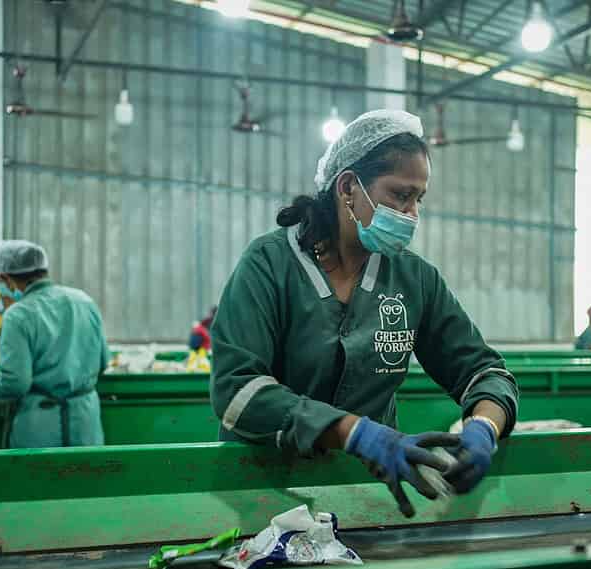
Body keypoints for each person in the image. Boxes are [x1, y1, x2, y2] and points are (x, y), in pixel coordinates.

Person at [210, 109, 519, 518]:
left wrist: (483, 428)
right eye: (400, 195)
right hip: (265, 494)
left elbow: (485, 372)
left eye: (419, 199)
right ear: (348, 187)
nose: (412, 213)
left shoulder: (413, 279)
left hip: (367, 497)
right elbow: (238, 391)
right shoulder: (269, 265)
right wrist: (355, 432)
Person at [0, 240, 110, 448]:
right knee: (86, 469)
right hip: (86, 424)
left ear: (5, 279)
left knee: (41, 471)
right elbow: (103, 361)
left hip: (41, 428)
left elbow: (16, 383)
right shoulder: (84, 301)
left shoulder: (19, 315)